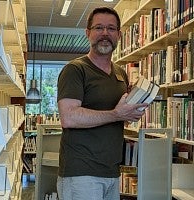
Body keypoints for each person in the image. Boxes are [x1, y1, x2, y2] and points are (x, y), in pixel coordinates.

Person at [56, 6, 147, 200]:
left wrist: (131, 112)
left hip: (112, 172)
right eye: (98, 28)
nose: (105, 33)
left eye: (111, 28)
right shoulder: (75, 70)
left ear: (119, 35)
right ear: (88, 33)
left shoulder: (121, 73)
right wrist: (116, 114)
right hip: (81, 173)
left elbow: (119, 117)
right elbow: (69, 117)